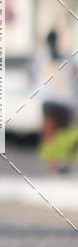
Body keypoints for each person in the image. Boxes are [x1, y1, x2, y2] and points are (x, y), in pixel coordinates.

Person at [37, 29, 78, 173]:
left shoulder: (42, 56)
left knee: (51, 134)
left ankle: (53, 165)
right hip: (65, 102)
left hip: (52, 100)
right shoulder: (65, 57)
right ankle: (58, 164)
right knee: (61, 134)